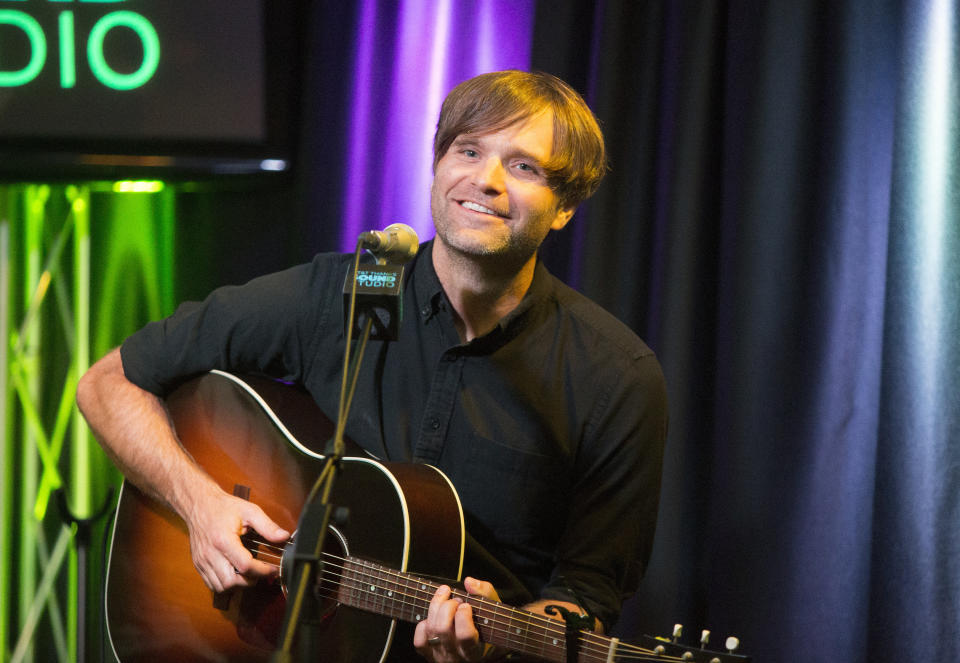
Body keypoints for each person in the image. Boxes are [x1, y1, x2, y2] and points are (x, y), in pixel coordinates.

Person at [77, 70, 667, 662]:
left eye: (523, 167)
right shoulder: (341, 294)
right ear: (438, 164)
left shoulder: (617, 379)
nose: (484, 180)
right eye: (468, 150)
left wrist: (496, 648)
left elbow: (584, 599)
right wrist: (201, 507)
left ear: (564, 207)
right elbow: (108, 383)